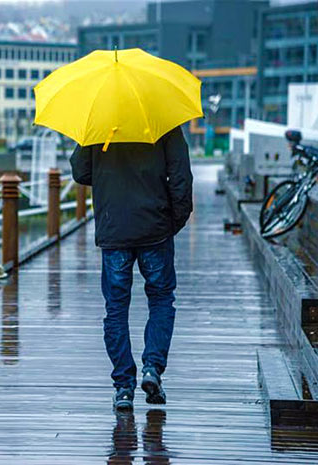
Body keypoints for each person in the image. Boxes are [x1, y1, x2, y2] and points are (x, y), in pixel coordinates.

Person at [70, 126, 193, 410]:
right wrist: (175, 221)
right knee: (161, 299)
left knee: (115, 308)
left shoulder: (100, 123)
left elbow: (80, 171)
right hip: (155, 227)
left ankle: (124, 386)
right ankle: (152, 368)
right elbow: (181, 176)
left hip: (114, 229)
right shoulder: (164, 120)